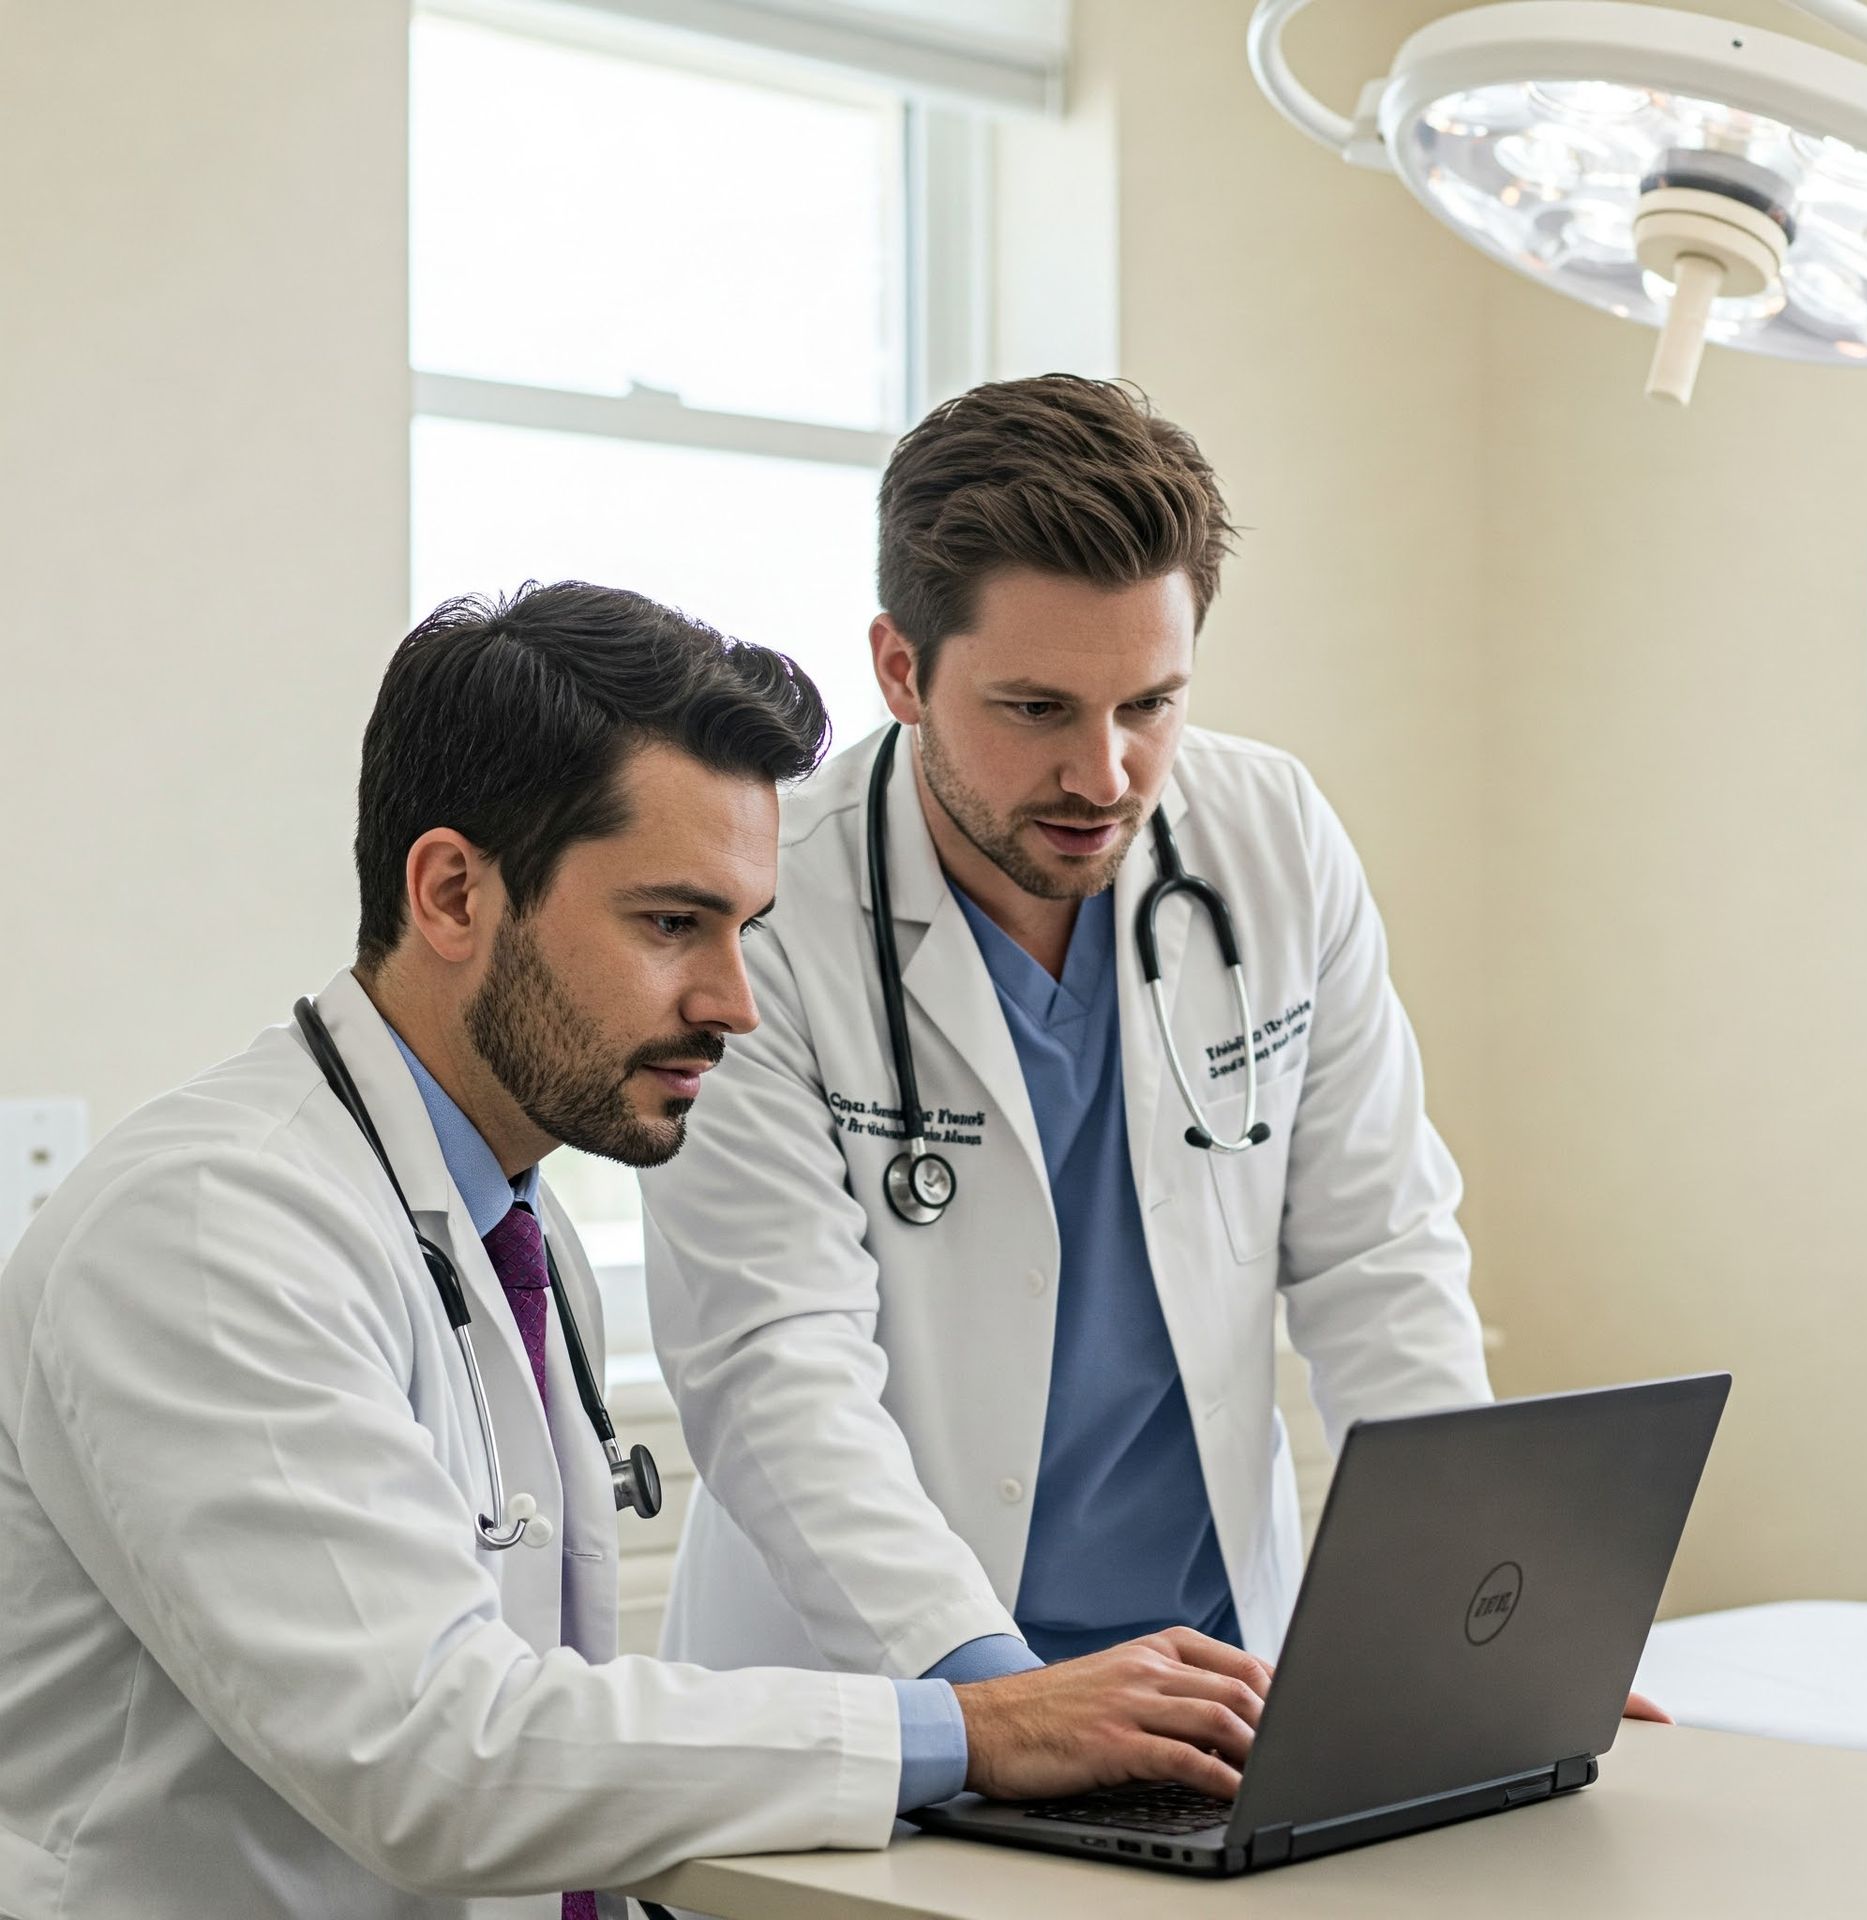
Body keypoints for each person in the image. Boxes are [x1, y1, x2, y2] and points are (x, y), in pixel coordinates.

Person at [0, 583, 1272, 1920]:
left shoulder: (507, 1224)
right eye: (672, 924)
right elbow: (438, 1759)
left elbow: (544, 1757)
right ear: (450, 892)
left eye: (745, 931)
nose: (734, 1006)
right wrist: (977, 1729)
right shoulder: (208, 1231)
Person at [639, 374, 1498, 1688]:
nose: (1103, 777)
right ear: (900, 669)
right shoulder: (767, 905)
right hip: (896, 1692)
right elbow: (776, 1363)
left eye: (1150, 704)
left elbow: (1378, 1256)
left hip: (1208, 1687)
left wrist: (1478, 1609)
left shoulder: (1269, 840)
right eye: (1036, 710)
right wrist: (1000, 1700)